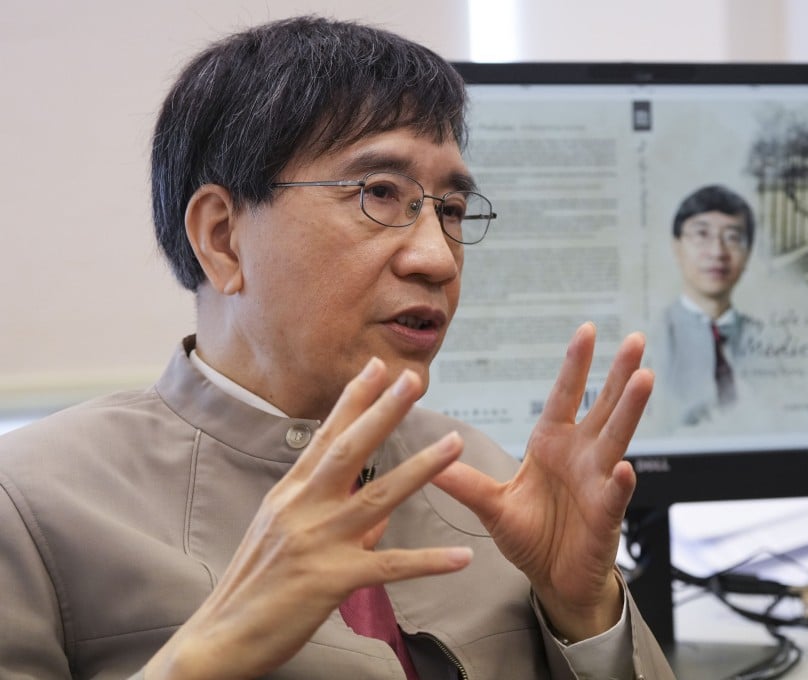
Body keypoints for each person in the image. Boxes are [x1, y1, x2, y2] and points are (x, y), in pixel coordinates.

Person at [0, 16, 674, 680]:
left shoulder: (481, 473)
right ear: (222, 237)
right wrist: (202, 658)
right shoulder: (31, 506)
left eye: (451, 210)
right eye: (380, 193)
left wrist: (586, 615)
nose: (438, 259)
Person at [655, 184, 758, 427]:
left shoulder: (769, 340)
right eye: (702, 235)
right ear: (677, 246)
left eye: (732, 237)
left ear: (749, 252)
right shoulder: (651, 337)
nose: (717, 252)